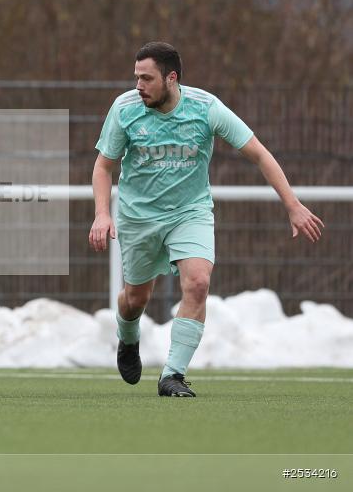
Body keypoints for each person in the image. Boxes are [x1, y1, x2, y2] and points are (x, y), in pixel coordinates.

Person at [89, 41, 324, 397]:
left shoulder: (206, 107)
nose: (138, 86)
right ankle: (128, 336)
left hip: (190, 212)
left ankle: (172, 375)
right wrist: (102, 214)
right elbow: (104, 166)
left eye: (146, 78)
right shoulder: (124, 109)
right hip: (139, 216)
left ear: (171, 78)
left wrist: (292, 204)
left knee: (198, 283)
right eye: (136, 77)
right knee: (135, 298)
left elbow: (258, 153)